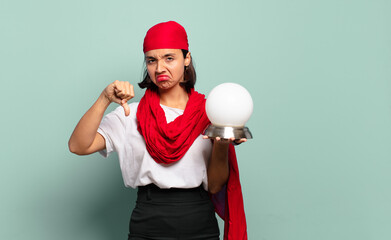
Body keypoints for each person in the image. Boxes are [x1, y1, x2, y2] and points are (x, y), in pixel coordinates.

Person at [68, 21, 247, 240]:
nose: (160, 68)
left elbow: (216, 184)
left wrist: (221, 141)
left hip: (199, 222)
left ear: (186, 58)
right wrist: (105, 98)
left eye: (169, 58)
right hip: (148, 221)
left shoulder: (211, 113)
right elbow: (78, 145)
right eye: (151, 60)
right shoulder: (130, 114)